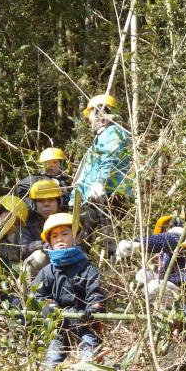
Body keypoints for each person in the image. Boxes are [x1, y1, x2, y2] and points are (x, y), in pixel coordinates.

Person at [32, 212, 106, 369]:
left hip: (83, 323)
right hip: (57, 326)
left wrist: (93, 309)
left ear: (77, 238)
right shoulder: (47, 271)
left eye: (65, 234)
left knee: (91, 360)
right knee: (51, 360)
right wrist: (48, 307)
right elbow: (36, 295)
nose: (60, 239)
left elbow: (96, 293)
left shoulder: (88, 269)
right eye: (54, 236)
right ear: (49, 242)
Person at [70, 93, 133, 256]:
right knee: (84, 236)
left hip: (110, 194)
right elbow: (88, 172)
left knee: (111, 241)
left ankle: (118, 273)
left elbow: (109, 158)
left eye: (90, 114)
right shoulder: (101, 137)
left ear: (100, 113)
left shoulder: (114, 132)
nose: (89, 119)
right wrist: (74, 197)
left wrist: (100, 182)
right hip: (95, 196)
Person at [20, 178, 64, 280]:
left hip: (65, 264)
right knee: (39, 257)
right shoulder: (27, 222)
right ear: (33, 204)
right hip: (39, 274)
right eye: (41, 201)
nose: (46, 204)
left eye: (51, 199)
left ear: (59, 202)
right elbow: (23, 247)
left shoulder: (67, 219)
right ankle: (28, 295)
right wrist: (46, 245)